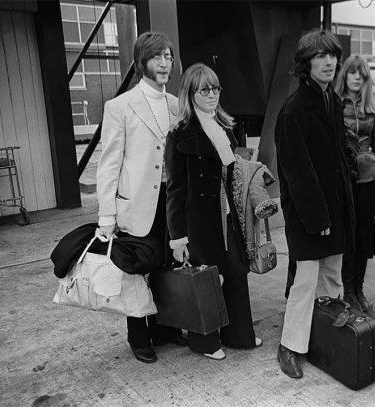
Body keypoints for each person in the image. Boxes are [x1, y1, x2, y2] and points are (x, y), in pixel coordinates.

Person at [96, 32, 187, 364]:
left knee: (167, 262)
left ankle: (165, 327)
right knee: (136, 269)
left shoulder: (177, 105)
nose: (164, 63)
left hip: (170, 200)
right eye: (157, 57)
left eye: (168, 57)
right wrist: (107, 215)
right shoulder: (120, 106)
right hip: (135, 202)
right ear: (141, 62)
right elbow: (108, 165)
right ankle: (139, 336)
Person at [165, 63, 263, 361]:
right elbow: (175, 190)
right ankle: (205, 342)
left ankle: (238, 334)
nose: (211, 94)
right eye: (204, 89)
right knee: (205, 280)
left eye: (215, 88)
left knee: (235, 271)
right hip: (200, 221)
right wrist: (178, 237)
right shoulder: (180, 134)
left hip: (228, 216)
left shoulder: (224, 127)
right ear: (190, 93)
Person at [274, 30, 354, 379]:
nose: (328, 62)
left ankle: (324, 337)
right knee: (305, 279)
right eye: (320, 57)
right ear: (305, 64)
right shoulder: (293, 110)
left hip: (335, 208)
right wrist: (316, 216)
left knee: (333, 274)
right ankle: (289, 346)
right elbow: (296, 172)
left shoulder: (331, 101)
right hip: (310, 212)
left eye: (332, 56)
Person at [334, 55, 375, 312]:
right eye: (352, 72)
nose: (357, 77)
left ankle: (358, 289)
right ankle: (346, 289)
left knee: (364, 237)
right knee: (348, 237)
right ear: (344, 75)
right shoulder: (334, 105)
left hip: (369, 180)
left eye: (362, 73)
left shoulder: (373, 109)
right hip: (344, 179)